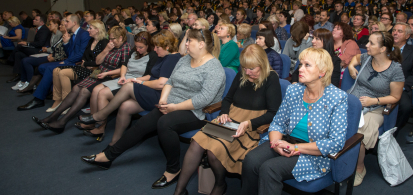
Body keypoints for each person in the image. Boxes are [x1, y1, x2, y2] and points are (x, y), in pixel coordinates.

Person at [80, 29, 225, 190]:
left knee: (164, 123)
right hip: (171, 104)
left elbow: (203, 99)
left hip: (196, 112)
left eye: (189, 41)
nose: (186, 44)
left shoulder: (214, 68)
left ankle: (173, 169)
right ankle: (108, 156)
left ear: (201, 44)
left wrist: (174, 107)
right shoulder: (186, 60)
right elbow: (170, 81)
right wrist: (163, 99)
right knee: (141, 125)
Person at [174, 44, 282, 195]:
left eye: (252, 69)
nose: (248, 72)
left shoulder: (271, 78)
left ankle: (219, 184)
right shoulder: (242, 74)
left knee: (213, 151)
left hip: (250, 126)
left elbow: (274, 112)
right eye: (245, 68)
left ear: (262, 64)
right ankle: (179, 191)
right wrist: (224, 113)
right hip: (229, 121)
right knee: (197, 142)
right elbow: (228, 99)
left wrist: (249, 123)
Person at [241, 48, 348, 195]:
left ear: (322, 72)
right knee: (251, 160)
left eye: (307, 65)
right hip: (286, 142)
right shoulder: (294, 90)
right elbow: (278, 122)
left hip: (313, 154)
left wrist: (296, 148)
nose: (300, 69)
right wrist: (275, 144)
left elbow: (336, 142)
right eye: (300, 64)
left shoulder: (337, 98)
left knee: (269, 169)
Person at [32, 26, 131, 133]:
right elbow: (98, 61)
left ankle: (62, 122)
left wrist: (107, 73)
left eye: (113, 39)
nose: (110, 41)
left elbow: (124, 68)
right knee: (76, 88)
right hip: (99, 71)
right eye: (110, 38)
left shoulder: (126, 47)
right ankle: (53, 117)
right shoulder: (109, 46)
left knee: (84, 91)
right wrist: (106, 49)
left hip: (110, 75)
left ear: (121, 38)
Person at [79, 31, 160, 141]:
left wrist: (132, 79)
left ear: (148, 46)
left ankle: (100, 127)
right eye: (136, 46)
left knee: (102, 93)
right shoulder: (133, 51)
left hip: (136, 82)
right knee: (95, 90)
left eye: (141, 47)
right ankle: (92, 121)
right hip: (123, 77)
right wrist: (122, 76)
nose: (138, 49)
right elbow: (124, 65)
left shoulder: (153, 55)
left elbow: (149, 76)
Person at [347, 31, 404, 186]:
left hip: (376, 107)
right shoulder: (366, 58)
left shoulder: (395, 69)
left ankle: (360, 168)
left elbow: (395, 97)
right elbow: (355, 58)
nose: (366, 45)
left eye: (371, 43)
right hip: (353, 99)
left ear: (383, 49)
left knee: (360, 131)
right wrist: (352, 66)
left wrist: (374, 100)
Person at [27, 20, 109, 111]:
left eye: (90, 28)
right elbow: (84, 56)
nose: (88, 30)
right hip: (85, 67)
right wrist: (85, 63)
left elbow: (99, 61)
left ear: (97, 30)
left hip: (95, 70)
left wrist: (85, 63)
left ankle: (66, 103)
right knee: (56, 70)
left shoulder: (104, 42)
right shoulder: (91, 40)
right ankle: (57, 100)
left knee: (63, 73)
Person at [17, 14, 90, 111]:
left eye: (67, 21)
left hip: (75, 63)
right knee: (41, 67)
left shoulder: (83, 34)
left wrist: (66, 61)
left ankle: (39, 99)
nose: (64, 23)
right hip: (70, 60)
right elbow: (69, 53)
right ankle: (52, 91)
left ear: (74, 23)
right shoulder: (71, 34)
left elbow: (81, 54)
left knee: (49, 69)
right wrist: (66, 43)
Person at [13, 19, 64, 94]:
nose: (48, 26)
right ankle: (24, 81)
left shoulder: (59, 34)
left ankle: (29, 83)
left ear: (55, 24)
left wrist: (47, 49)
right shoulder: (53, 33)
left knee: (26, 60)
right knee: (23, 57)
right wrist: (46, 48)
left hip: (52, 55)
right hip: (49, 53)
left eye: (50, 24)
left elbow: (56, 48)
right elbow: (53, 46)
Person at [391, 23, 413, 134]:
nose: (395, 33)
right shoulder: (383, 48)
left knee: (405, 108)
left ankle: (391, 133)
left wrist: (401, 86)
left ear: (407, 36)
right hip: (379, 84)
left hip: (401, 86)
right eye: (394, 30)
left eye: (399, 31)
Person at [6, 15, 52, 83]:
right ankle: (18, 75)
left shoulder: (44, 29)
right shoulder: (39, 29)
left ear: (41, 22)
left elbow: (40, 43)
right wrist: (27, 43)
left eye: (36, 20)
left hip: (41, 51)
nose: (33, 20)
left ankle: (9, 60)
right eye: (34, 19)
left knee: (20, 46)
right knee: (18, 54)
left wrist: (28, 44)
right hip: (37, 48)